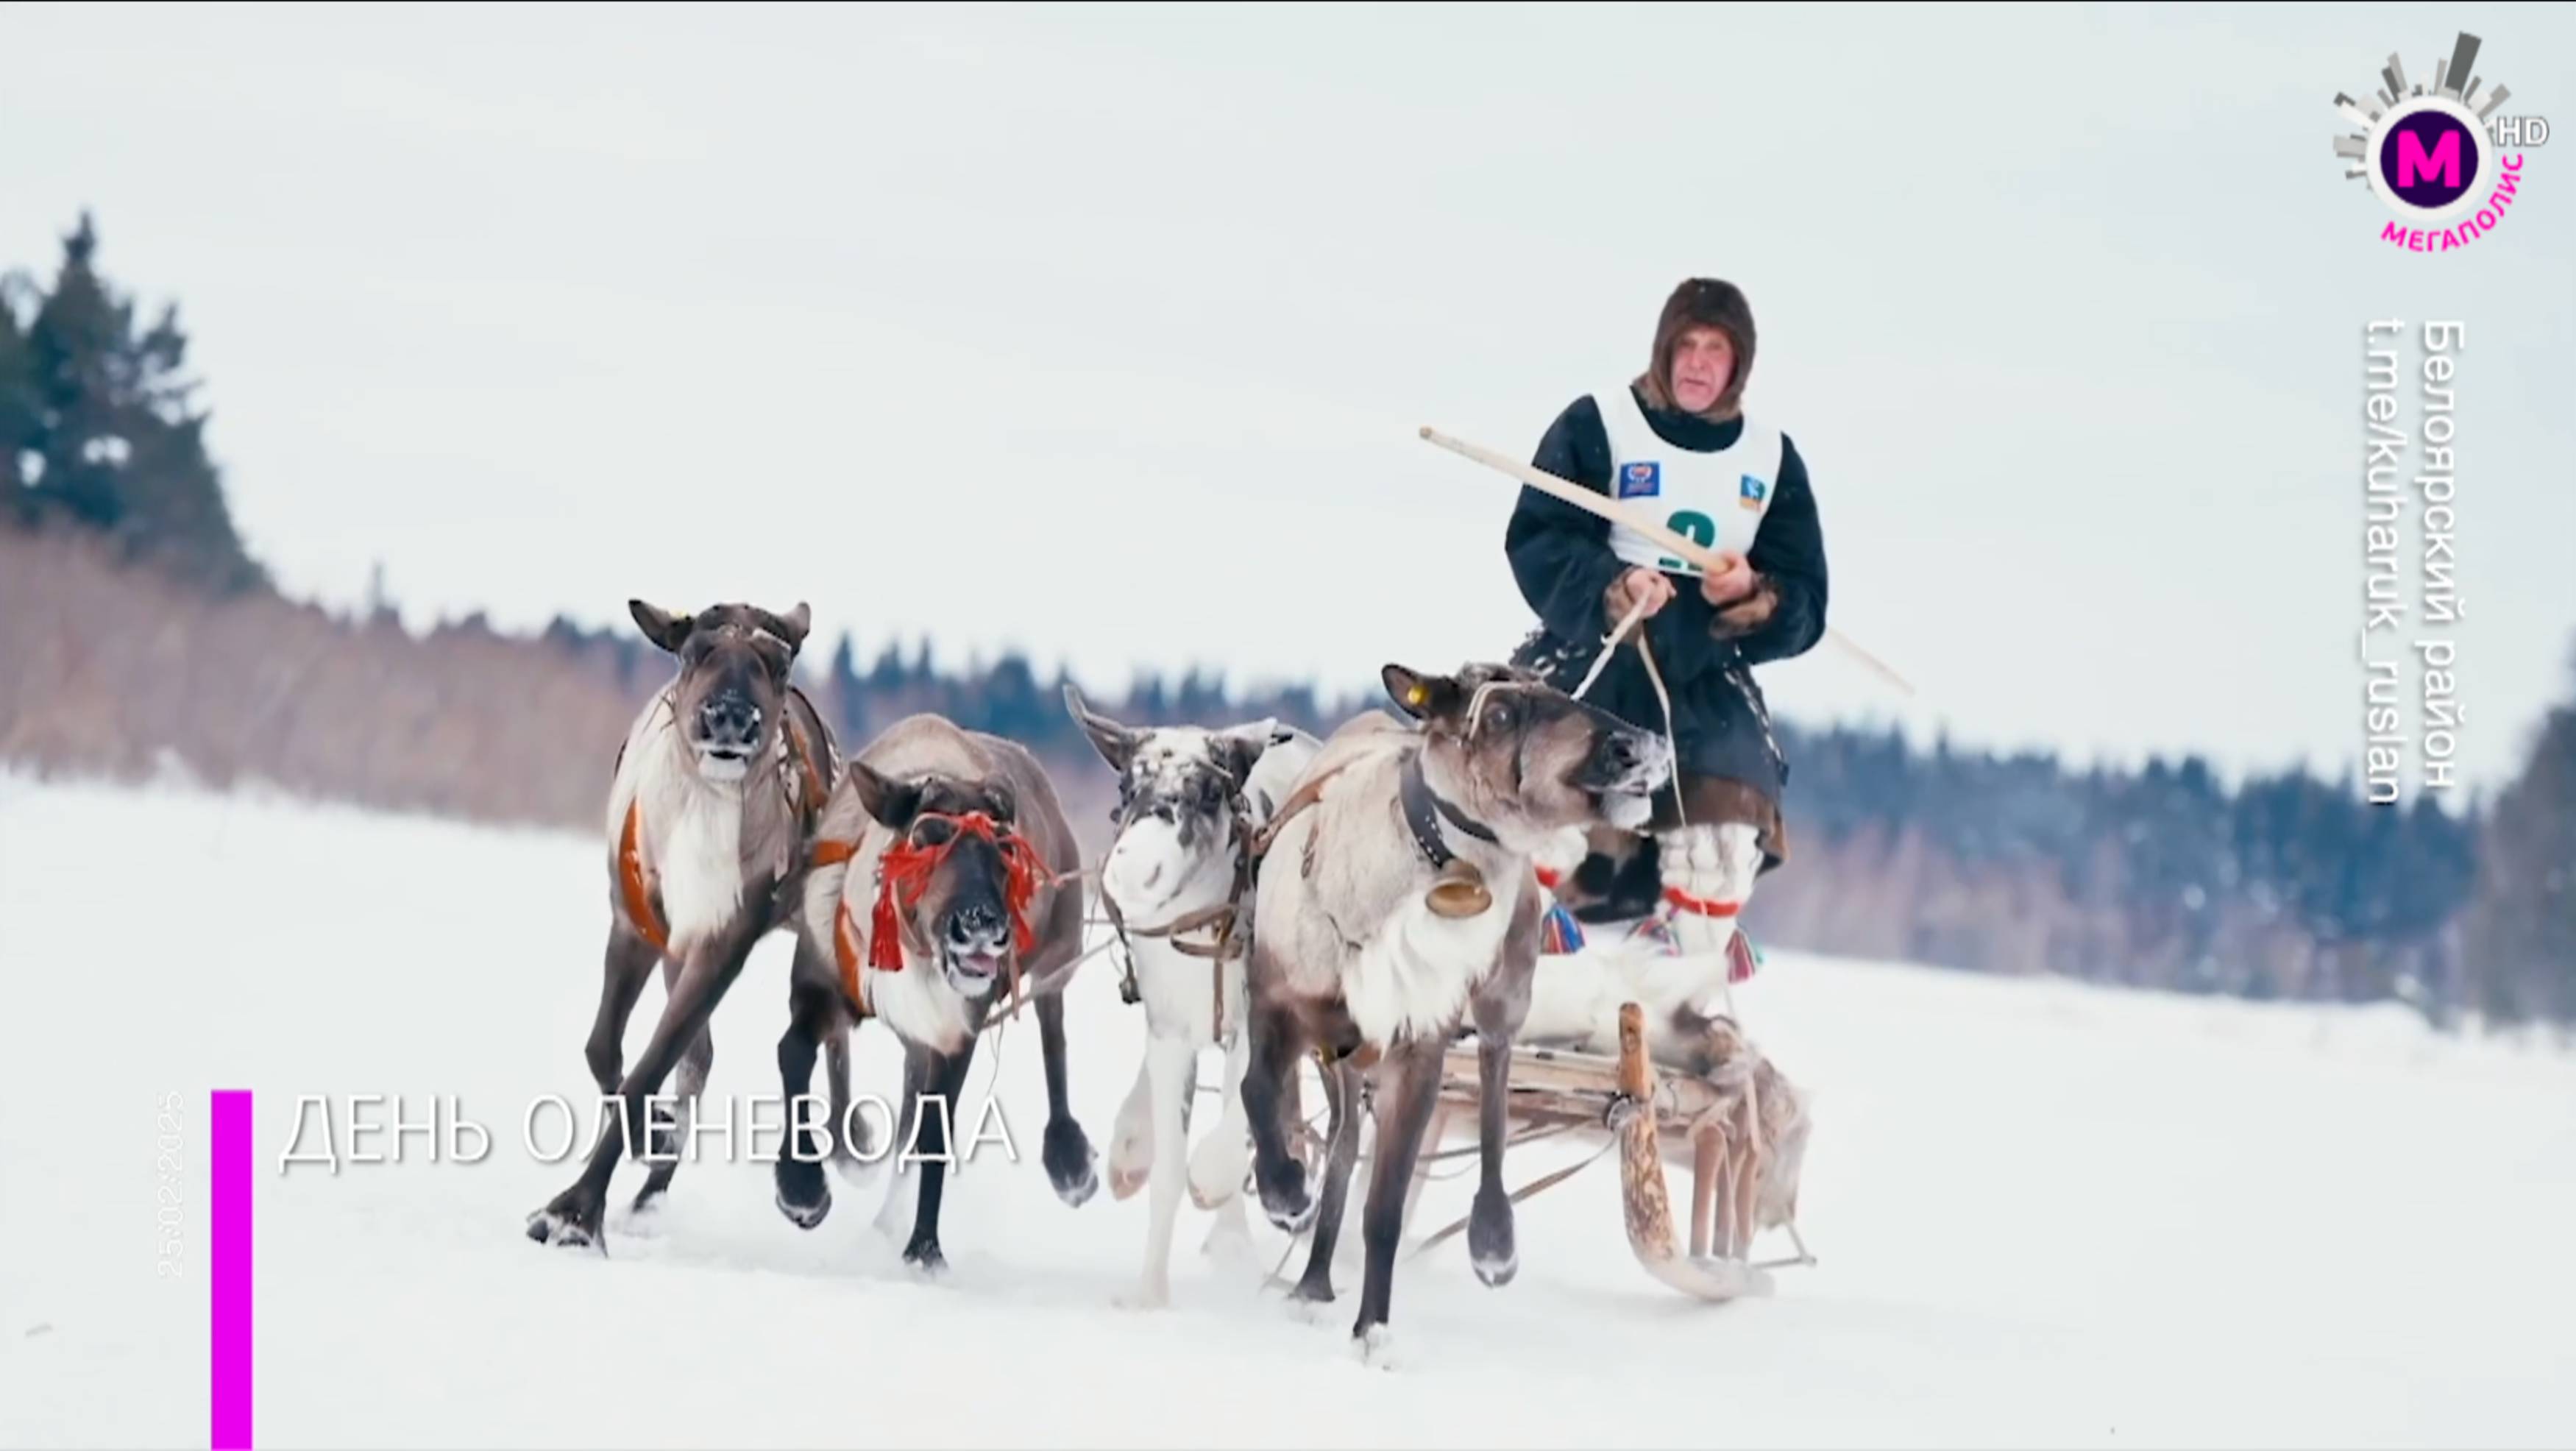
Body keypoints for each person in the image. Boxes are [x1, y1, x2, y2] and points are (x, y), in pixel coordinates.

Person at [1502, 277, 1828, 965]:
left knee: (1719, 838)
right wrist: (1612, 587)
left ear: (1739, 365)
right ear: (1663, 348)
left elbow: (1806, 599)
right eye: (1686, 344)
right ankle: (1519, 947)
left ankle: (1686, 970)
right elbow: (1538, 536)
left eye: (1716, 349)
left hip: (1705, 673)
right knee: (1529, 796)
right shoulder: (1598, 423)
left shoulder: (1771, 459)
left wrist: (1754, 593)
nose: (1697, 363)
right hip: (1593, 650)